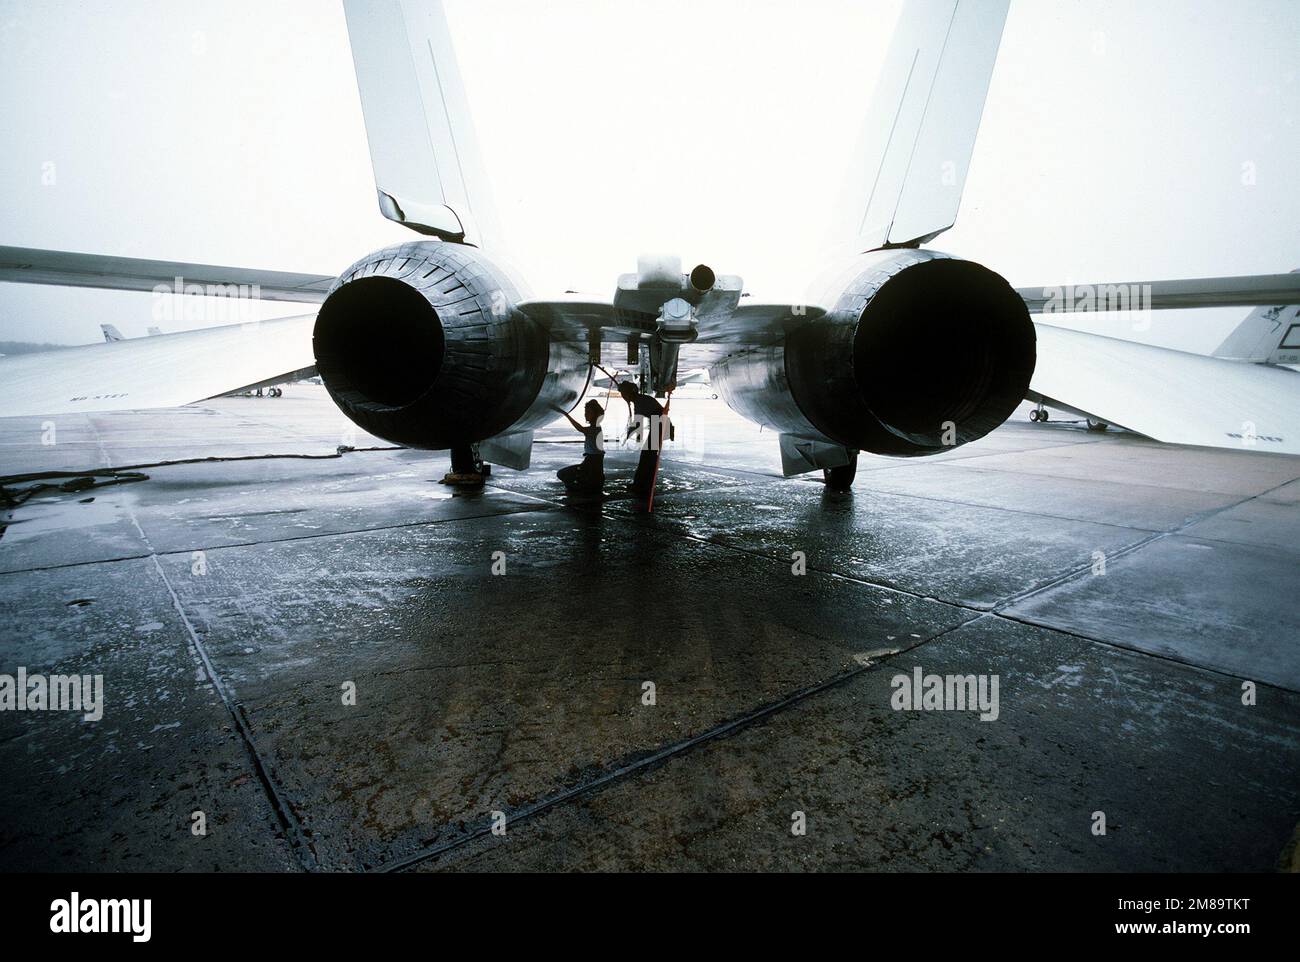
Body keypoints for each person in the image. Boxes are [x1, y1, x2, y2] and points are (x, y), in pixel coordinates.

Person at [617, 381, 666, 497]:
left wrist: (628, 434)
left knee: (647, 457)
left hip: (659, 424)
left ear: (629, 393)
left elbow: (637, 423)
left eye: (624, 394)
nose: (623, 397)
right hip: (658, 424)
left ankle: (642, 486)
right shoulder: (639, 400)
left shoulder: (639, 401)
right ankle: (642, 484)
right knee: (648, 456)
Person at [556, 399, 606, 494]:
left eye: (588, 412)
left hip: (592, 463)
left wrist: (566, 415)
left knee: (562, 474)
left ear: (595, 414)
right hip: (591, 462)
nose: (585, 414)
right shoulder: (596, 428)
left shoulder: (595, 429)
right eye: (585, 412)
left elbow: (580, 428)